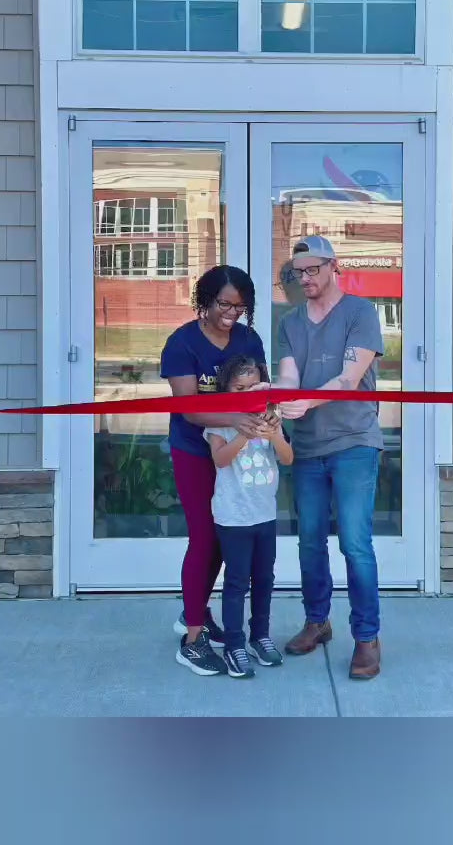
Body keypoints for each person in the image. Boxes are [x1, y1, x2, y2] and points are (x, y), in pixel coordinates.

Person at [275, 236, 384, 680]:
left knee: (355, 544)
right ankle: (317, 621)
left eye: (312, 270)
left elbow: (349, 378)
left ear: (332, 266)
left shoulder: (361, 313)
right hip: (307, 447)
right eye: (298, 272)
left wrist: (305, 401)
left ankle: (367, 638)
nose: (304, 278)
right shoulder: (290, 322)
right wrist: (279, 396)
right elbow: (289, 378)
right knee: (309, 541)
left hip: (355, 441)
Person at [160, 265, 276, 677]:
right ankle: (192, 640)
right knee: (205, 537)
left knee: (229, 539)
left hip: (240, 452)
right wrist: (237, 418)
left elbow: (262, 391)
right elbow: (188, 409)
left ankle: (195, 612)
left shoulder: (249, 340)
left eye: (239, 307)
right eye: (224, 304)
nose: (231, 313)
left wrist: (267, 417)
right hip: (195, 451)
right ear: (205, 300)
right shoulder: (182, 343)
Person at [204, 355, 293, 679]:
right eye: (239, 388)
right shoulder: (220, 423)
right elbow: (220, 460)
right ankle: (233, 643)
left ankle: (260, 636)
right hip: (233, 517)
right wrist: (243, 434)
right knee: (237, 581)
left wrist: (274, 435)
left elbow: (288, 458)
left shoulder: (271, 417)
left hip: (264, 515)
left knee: (265, 579)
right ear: (226, 390)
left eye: (253, 386)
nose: (246, 393)